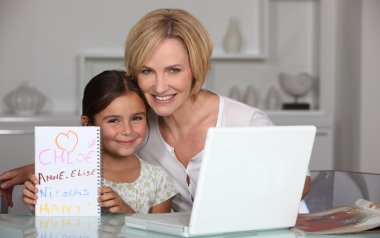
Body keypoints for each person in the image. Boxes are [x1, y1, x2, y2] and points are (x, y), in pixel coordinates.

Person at [0, 8, 311, 212]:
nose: (160, 86)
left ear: (196, 69)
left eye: (174, 70)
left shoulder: (245, 122)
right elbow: (99, 149)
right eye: (148, 71)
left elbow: (302, 183)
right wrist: (32, 170)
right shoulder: (138, 127)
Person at [22, 70, 177, 214]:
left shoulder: (158, 181)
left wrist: (126, 212)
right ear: (87, 123)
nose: (128, 130)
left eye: (136, 118)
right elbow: (57, 233)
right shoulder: (64, 177)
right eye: (114, 120)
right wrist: (40, 207)